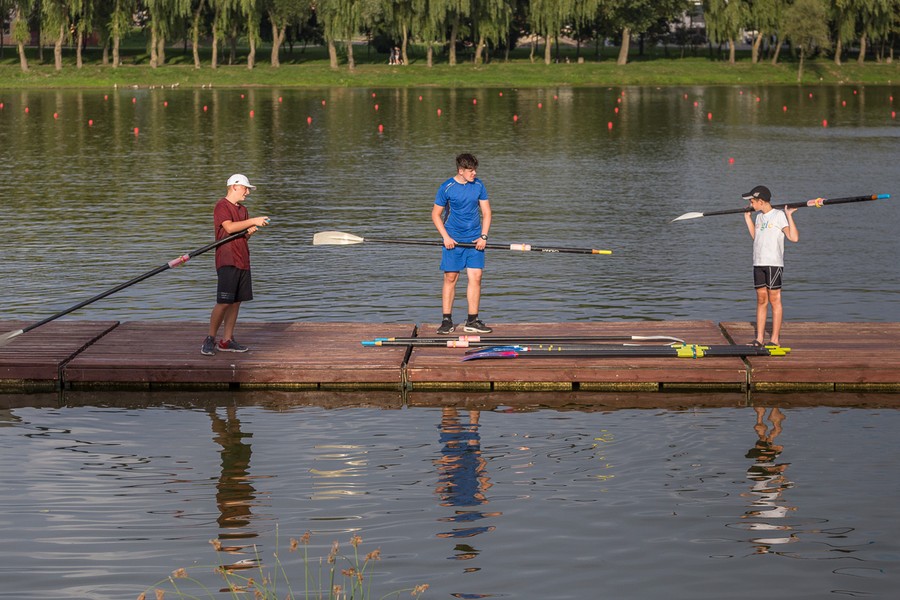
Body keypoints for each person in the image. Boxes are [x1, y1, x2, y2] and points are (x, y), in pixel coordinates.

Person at [201, 174, 269, 355]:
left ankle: (227, 340)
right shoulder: (222, 206)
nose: (247, 192)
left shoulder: (243, 210)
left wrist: (249, 232)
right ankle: (210, 339)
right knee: (224, 302)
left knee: (236, 302)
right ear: (234, 187)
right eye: (245, 188)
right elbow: (229, 228)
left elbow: (241, 236)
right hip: (227, 260)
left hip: (242, 260)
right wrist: (253, 221)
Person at [431, 153, 492, 334]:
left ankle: (472, 321)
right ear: (460, 171)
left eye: (475, 170)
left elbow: (487, 213)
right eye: (470, 170)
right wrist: (446, 237)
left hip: (475, 240)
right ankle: (446, 320)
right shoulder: (446, 187)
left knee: (476, 277)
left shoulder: (479, 185)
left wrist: (483, 237)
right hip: (453, 240)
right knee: (450, 278)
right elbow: (435, 215)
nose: (474, 173)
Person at [743, 185, 799, 347]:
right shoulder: (759, 217)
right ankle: (759, 338)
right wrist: (747, 218)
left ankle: (774, 340)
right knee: (761, 299)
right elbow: (757, 237)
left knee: (774, 299)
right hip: (758, 262)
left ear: (761, 201)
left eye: (752, 201)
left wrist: (789, 216)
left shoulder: (779, 215)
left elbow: (794, 238)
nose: (751, 204)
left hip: (773, 263)